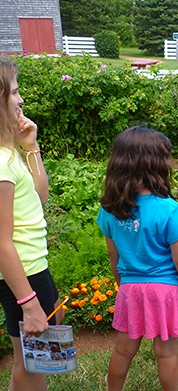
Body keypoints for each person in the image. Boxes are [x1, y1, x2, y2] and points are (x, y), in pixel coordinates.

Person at [97, 126, 178, 391]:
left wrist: (123, 284)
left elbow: (114, 256)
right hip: (166, 291)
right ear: (153, 164)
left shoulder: (110, 209)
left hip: (130, 288)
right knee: (166, 353)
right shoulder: (168, 208)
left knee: (123, 351)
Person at [0, 57, 64, 391]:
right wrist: (29, 303)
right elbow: (1, 242)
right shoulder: (0, 163)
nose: (21, 100)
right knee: (33, 360)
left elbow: (41, 196)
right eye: (14, 92)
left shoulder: (10, 152)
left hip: (33, 267)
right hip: (22, 272)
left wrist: (32, 146)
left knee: (36, 352)